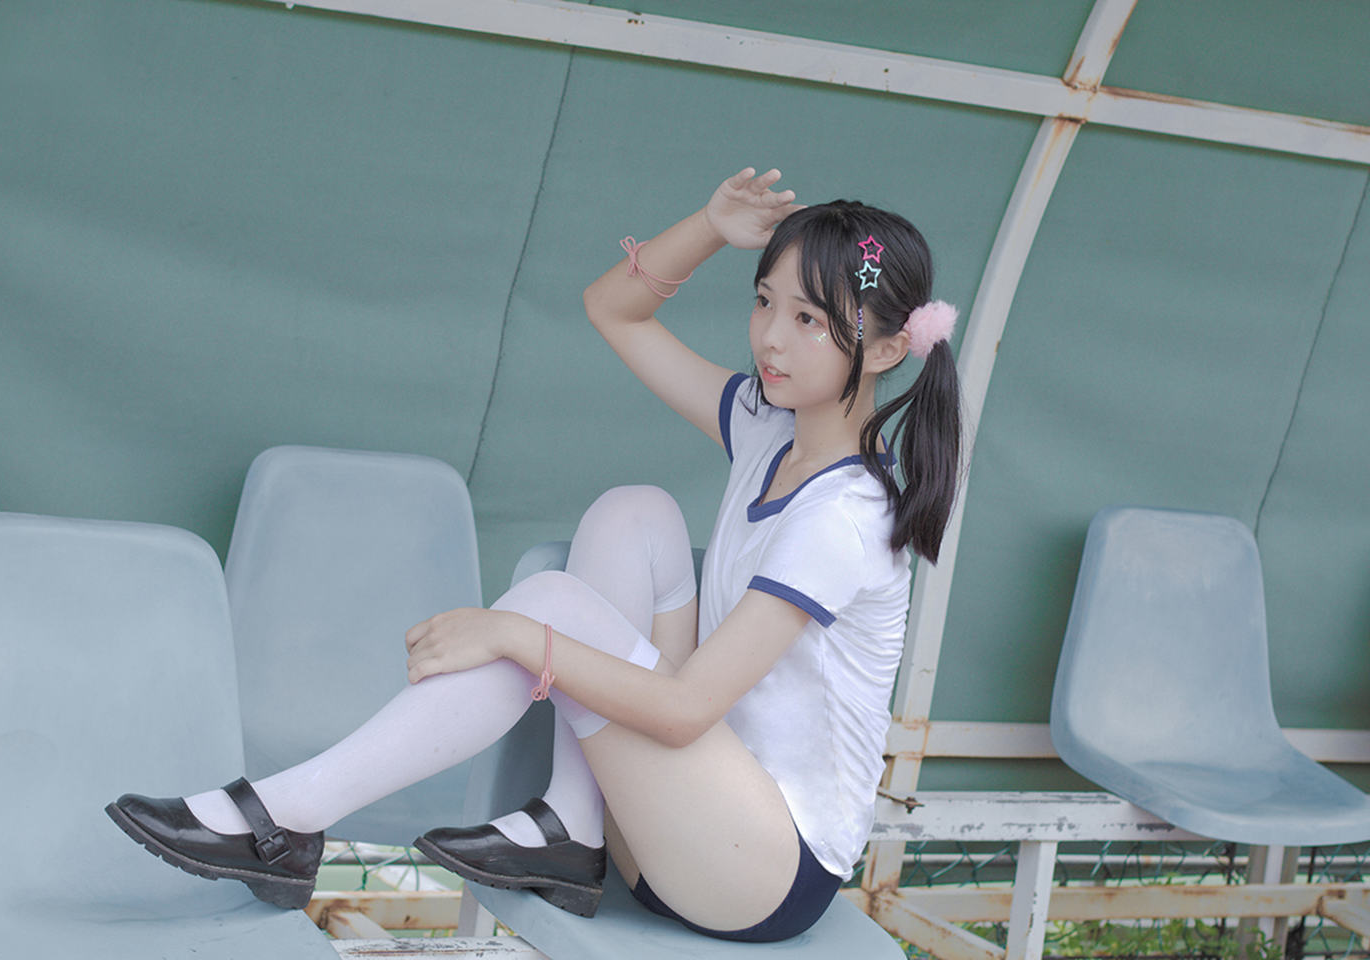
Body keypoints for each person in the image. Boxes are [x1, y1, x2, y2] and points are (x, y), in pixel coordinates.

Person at [107, 166, 962, 943]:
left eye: (809, 320)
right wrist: (709, 225)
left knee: (550, 605)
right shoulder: (768, 432)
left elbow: (684, 711)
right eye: (764, 301)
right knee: (635, 512)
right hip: (673, 823)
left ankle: (283, 817)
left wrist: (517, 635)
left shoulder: (844, 517)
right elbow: (612, 309)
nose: (770, 337)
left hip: (763, 873)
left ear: (888, 349)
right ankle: (571, 827)